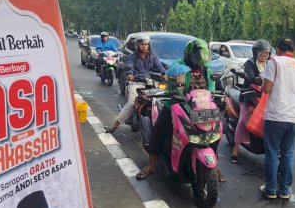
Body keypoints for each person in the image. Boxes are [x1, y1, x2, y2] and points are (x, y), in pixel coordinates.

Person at [135, 39, 225, 181]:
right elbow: (170, 85)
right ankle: (151, 165)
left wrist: (214, 96)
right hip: (177, 104)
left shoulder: (206, 68)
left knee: (214, 132)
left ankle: (214, 166)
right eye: (197, 57)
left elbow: (211, 85)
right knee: (159, 129)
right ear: (189, 55)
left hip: (201, 106)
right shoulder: (178, 66)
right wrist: (176, 88)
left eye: (202, 56)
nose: (200, 60)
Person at [260, 38, 295, 200]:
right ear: (293, 50)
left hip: (276, 116)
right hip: (294, 117)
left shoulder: (275, 62)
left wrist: (262, 83)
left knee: (272, 153)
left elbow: (266, 89)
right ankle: (285, 190)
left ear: (278, 49)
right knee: (288, 154)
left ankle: (271, 189)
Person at [105, 34, 165, 133]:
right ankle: (114, 127)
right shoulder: (131, 57)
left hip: (151, 83)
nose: (145, 46)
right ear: (137, 45)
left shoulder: (153, 57)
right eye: (142, 44)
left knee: (160, 101)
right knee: (131, 102)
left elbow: (160, 68)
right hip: (136, 83)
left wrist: (166, 75)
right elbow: (129, 66)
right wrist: (130, 75)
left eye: (146, 44)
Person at [230, 39, 271, 163]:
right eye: (261, 55)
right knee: (243, 120)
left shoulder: (270, 64)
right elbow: (250, 76)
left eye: (266, 54)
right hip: (249, 96)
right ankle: (235, 150)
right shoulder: (250, 63)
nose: (263, 57)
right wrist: (261, 79)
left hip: (264, 97)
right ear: (256, 54)